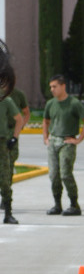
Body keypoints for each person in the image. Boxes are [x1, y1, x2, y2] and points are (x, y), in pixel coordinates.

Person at [42, 74, 84, 216]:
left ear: (63, 86)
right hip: (53, 142)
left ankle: (74, 204)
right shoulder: (50, 104)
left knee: (65, 174)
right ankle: (57, 204)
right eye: (50, 87)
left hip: (67, 142)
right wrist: (46, 137)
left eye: (55, 86)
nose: (52, 89)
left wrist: (78, 139)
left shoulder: (74, 103)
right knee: (53, 175)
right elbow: (46, 121)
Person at [0, 87, 24, 224]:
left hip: (2, 143)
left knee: (4, 179)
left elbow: (19, 119)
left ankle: (8, 213)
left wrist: (14, 138)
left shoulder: (6, 101)